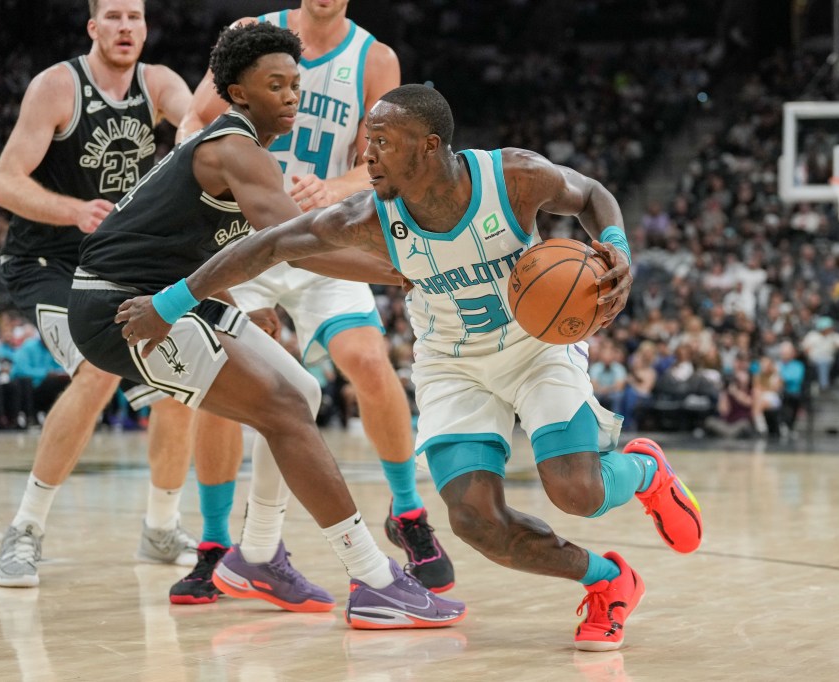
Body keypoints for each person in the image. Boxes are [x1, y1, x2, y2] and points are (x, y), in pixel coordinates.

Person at [117, 84, 701, 651]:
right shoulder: (368, 217)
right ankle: (606, 579)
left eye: (382, 142)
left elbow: (592, 194)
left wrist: (618, 248)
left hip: (535, 348)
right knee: (476, 522)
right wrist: (170, 303)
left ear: (429, 145)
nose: (366, 155)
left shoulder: (513, 176)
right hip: (453, 362)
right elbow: (267, 245)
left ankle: (645, 473)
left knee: (576, 490)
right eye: (367, 142)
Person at [69, 24, 465, 628]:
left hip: (165, 295)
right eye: (274, 84)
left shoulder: (244, 148)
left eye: (295, 84)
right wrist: (409, 271)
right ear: (237, 92)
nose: (291, 96)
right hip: (120, 309)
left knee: (302, 392)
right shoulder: (236, 148)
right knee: (281, 406)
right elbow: (297, 247)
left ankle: (256, 554)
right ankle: (373, 578)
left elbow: (182, 240)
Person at [168, 0, 454, 604]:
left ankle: (407, 514)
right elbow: (192, 122)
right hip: (239, 240)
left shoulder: (374, 58)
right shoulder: (251, 35)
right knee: (224, 388)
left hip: (321, 237)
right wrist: (237, 173)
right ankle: (218, 543)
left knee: (370, 364)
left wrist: (334, 186)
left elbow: (386, 160)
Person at [0, 0, 199, 587]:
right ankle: (26, 529)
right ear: (93, 27)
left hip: (117, 265)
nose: (125, 26)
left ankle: (161, 528)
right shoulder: (58, 86)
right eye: (113, 16)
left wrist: (201, 120)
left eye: (134, 16)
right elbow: (4, 182)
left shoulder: (158, 85)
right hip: (46, 261)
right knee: (97, 370)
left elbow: (196, 121)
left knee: (179, 380)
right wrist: (75, 210)